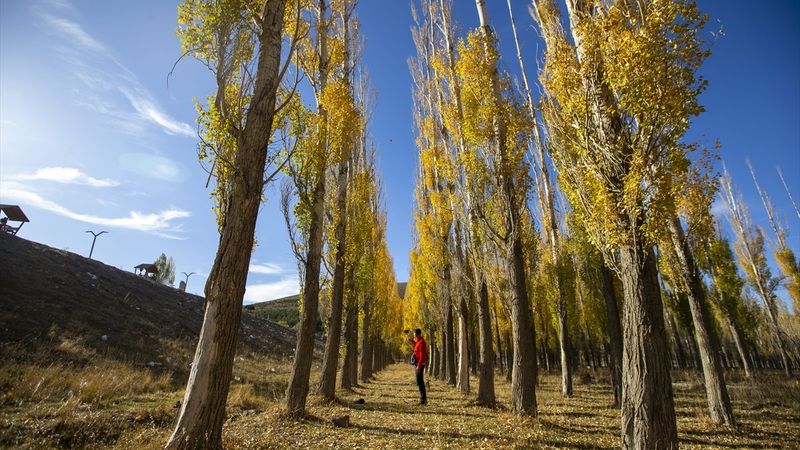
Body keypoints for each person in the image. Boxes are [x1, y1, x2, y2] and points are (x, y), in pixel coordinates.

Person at [407, 328, 428, 405]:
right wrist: (411, 341)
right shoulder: (419, 341)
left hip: (420, 364)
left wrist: (419, 366)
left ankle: (423, 400)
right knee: (419, 381)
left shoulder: (422, 342)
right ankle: (423, 399)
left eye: (415, 335)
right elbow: (416, 345)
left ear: (418, 334)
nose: (414, 336)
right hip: (417, 363)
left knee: (420, 381)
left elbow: (422, 355)